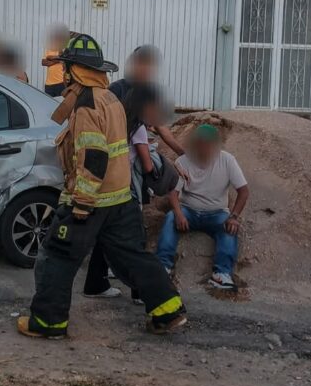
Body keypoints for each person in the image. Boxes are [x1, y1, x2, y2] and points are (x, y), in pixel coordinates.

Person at [18, 34, 186, 338]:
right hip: (120, 200)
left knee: (58, 255)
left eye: (66, 67)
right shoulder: (111, 98)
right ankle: (168, 310)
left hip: (91, 201)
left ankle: (48, 321)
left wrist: (80, 203)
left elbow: (93, 157)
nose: (64, 74)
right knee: (132, 256)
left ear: (73, 70)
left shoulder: (86, 107)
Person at [83, 82, 178, 303]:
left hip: (105, 188)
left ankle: (95, 284)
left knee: (105, 237)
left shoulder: (117, 122)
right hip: (127, 192)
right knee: (136, 244)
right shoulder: (139, 129)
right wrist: (161, 168)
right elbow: (146, 166)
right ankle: (141, 293)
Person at [156, 125, 249, 290]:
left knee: (229, 228)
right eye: (200, 143)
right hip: (188, 211)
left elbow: (243, 191)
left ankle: (221, 274)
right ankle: (163, 267)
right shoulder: (183, 161)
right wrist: (178, 213)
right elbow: (173, 193)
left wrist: (234, 216)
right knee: (170, 218)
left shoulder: (228, 160)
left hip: (217, 212)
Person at [109, 46, 187, 161]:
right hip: (116, 153)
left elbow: (160, 127)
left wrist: (183, 154)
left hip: (137, 153)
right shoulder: (116, 89)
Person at [41, 24, 71, 96]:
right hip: (49, 84)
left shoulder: (65, 49)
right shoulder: (50, 48)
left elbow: (63, 59)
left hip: (61, 83)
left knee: (60, 104)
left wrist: (51, 58)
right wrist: (57, 59)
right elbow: (43, 62)